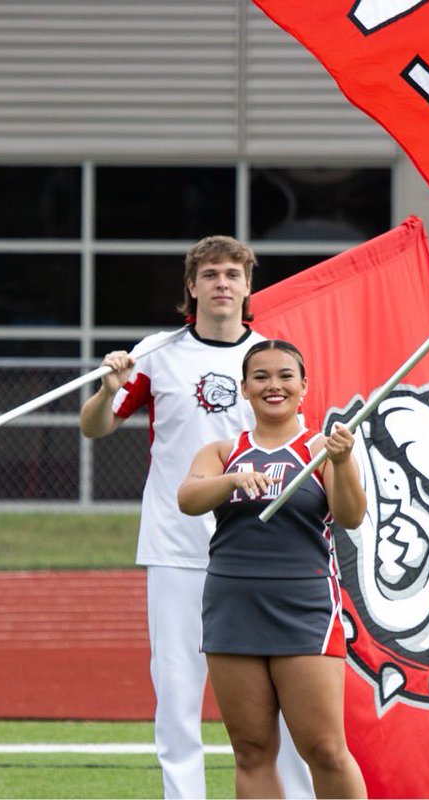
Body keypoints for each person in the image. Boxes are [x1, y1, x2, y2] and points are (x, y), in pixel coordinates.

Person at [80, 236, 314, 799]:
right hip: (177, 544)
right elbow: (95, 427)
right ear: (191, 286)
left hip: (263, 549)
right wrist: (106, 387)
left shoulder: (272, 359)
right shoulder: (156, 353)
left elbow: (300, 445)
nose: (221, 284)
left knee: (285, 697)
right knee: (179, 696)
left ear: (248, 286)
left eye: (233, 274)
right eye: (209, 274)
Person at [178, 340, 368, 800]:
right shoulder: (223, 451)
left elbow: (350, 515)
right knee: (251, 749)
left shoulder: (323, 448)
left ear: (304, 386)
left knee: (324, 748)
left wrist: (341, 463)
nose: (273, 385)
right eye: (260, 377)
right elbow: (188, 499)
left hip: (304, 607)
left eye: (285, 375)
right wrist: (232, 480)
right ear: (244, 388)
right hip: (232, 606)